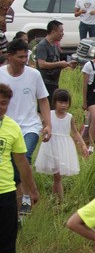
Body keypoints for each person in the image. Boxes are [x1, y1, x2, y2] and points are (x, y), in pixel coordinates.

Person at [0, 39, 51, 215]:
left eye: (26, 56)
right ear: (9, 56)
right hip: (7, 127)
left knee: (24, 156)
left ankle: (27, 198)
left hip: (30, 126)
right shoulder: (1, 74)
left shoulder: (34, 75)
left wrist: (48, 124)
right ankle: (21, 200)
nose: (24, 60)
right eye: (20, 57)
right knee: (11, 163)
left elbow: (43, 100)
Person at [0, 84, 37, 253]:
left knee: (4, 245)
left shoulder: (12, 127)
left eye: (4, 104)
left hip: (5, 192)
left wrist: (32, 190)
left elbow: (22, 163)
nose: (0, 107)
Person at [35, 89, 87, 202]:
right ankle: (57, 201)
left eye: (66, 103)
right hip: (51, 146)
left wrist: (83, 145)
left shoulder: (69, 117)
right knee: (56, 176)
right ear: (54, 102)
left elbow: (75, 132)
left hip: (63, 147)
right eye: (60, 102)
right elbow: (42, 127)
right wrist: (43, 133)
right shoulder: (50, 114)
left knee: (57, 176)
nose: (63, 105)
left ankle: (58, 200)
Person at [33, 20, 75, 95]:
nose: (62, 34)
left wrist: (67, 64)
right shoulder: (42, 45)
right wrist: (60, 64)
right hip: (45, 82)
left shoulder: (55, 45)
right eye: (60, 31)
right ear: (53, 32)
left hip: (54, 82)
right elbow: (41, 64)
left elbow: (55, 63)